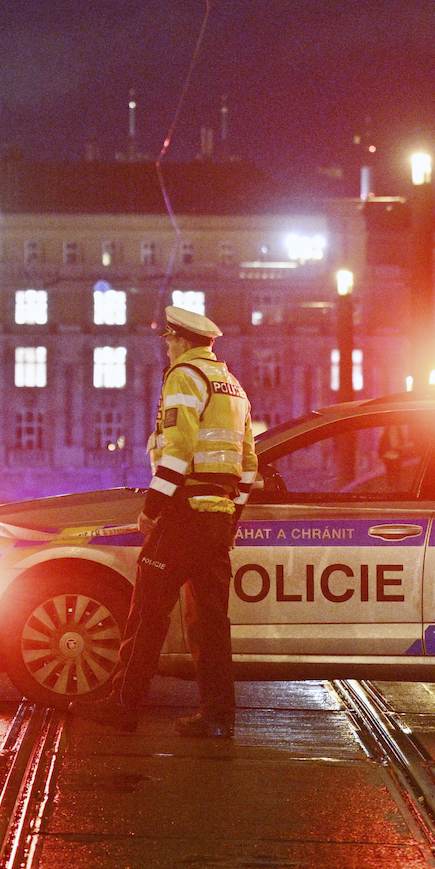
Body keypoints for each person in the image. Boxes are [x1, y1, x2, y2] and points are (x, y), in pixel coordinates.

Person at [78, 304, 256, 738]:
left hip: (183, 513)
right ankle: (218, 716)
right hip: (218, 516)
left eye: (169, 341)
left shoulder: (184, 378)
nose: (167, 348)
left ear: (179, 341)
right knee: (211, 622)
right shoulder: (233, 387)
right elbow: (249, 464)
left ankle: (123, 704)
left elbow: (177, 449)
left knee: (147, 613)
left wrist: (152, 509)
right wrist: (233, 517)